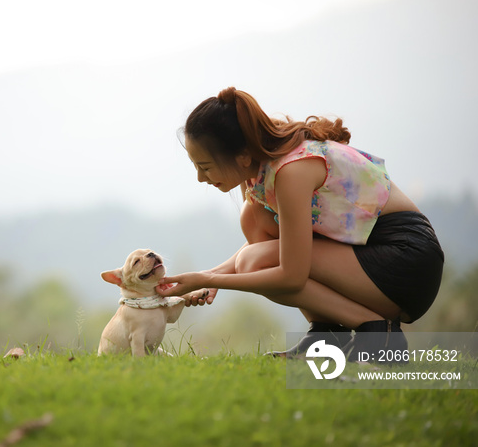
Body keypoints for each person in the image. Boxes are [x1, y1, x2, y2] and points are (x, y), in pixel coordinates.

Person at [157, 87, 444, 360]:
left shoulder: (291, 172)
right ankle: (327, 335)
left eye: (205, 167)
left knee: (252, 262)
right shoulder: (260, 171)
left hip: (407, 262)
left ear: (242, 156)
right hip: (368, 254)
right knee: (254, 219)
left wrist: (209, 279)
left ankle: (376, 330)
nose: (200, 178)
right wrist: (208, 276)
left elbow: (290, 275)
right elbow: (277, 245)